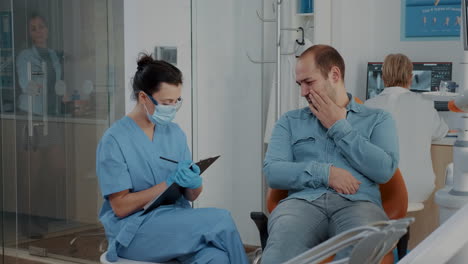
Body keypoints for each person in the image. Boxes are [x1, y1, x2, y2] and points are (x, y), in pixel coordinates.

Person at [96, 54, 249, 264]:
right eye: (167, 102)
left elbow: (191, 196)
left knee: (217, 258)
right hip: (134, 232)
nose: (172, 107)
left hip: (174, 223)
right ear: (143, 98)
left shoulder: (174, 133)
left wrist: (194, 183)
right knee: (220, 219)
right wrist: (166, 184)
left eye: (177, 101)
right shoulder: (114, 140)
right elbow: (120, 207)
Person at [261, 44, 399, 263]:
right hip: (302, 205)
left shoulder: (378, 119)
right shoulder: (289, 121)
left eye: (309, 82)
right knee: (279, 253)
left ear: (334, 75)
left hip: (359, 204)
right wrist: (325, 173)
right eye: (300, 84)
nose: (303, 92)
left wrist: (338, 126)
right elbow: (273, 172)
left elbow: (384, 171)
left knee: (361, 253)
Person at [365, 53, 448, 204]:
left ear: (383, 77)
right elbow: (442, 132)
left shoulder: (368, 106)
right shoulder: (425, 103)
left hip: (383, 189)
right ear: (410, 77)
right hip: (420, 188)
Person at [15, 13, 66, 239]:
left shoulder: (54, 55)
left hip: (51, 116)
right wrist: (38, 82)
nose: (38, 32)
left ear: (48, 30)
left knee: (55, 168)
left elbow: (58, 85)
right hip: (31, 116)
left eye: (41, 27)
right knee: (32, 173)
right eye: (33, 28)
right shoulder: (25, 56)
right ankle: (28, 220)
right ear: (29, 33)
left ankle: (42, 213)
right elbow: (27, 84)